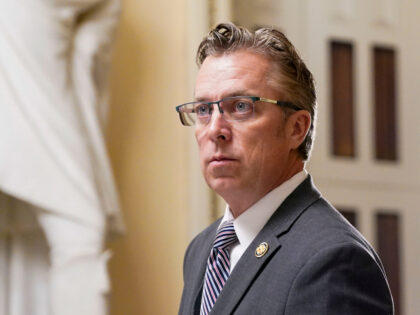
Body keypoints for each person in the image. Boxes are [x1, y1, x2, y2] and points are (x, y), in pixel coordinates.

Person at [176, 23, 393, 314]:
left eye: (240, 106)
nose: (215, 129)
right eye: (204, 110)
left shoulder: (334, 260)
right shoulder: (201, 250)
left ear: (296, 128)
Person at [0, 0, 124, 314]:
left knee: (59, 238)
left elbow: (88, 53)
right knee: (80, 230)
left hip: (37, 113)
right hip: (32, 119)